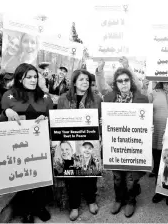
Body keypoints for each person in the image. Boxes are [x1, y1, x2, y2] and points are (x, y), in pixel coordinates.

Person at [0, 63, 53, 223]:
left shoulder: (45, 98)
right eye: (28, 77)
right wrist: (5, 112)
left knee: (41, 177)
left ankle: (39, 207)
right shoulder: (8, 96)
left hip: (40, 143)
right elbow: (0, 123)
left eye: (35, 77)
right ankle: (25, 211)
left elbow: (52, 121)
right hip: (18, 145)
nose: (33, 80)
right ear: (19, 78)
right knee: (23, 178)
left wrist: (46, 120)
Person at [103, 66, 148, 218]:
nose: (123, 83)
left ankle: (130, 200)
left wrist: (149, 127)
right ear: (115, 83)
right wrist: (103, 121)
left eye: (126, 80)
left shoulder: (142, 99)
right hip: (116, 145)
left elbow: (145, 122)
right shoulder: (109, 99)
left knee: (130, 177)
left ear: (131, 81)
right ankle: (118, 199)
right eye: (120, 81)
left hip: (133, 145)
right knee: (117, 176)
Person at [57, 69, 101, 221]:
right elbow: (58, 121)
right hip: (70, 140)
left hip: (89, 140)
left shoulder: (96, 99)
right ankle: (74, 205)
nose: (85, 82)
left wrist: (100, 128)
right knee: (72, 175)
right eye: (81, 79)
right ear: (74, 82)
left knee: (90, 173)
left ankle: (91, 200)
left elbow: (100, 119)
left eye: (87, 80)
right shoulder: (63, 99)